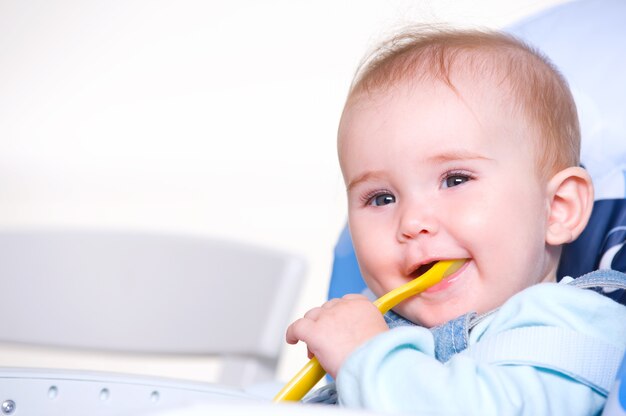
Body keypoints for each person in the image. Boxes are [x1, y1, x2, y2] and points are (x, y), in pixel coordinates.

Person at [285, 27, 626, 414]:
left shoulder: (575, 324)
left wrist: (366, 356)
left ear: (558, 208)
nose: (412, 221)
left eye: (455, 179)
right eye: (382, 198)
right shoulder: (377, 319)